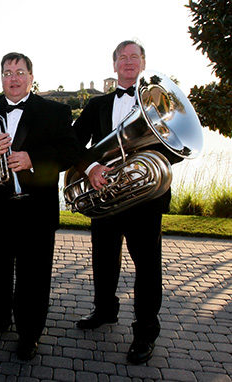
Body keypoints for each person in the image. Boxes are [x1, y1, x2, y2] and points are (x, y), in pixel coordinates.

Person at [0, 52, 84, 360]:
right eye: (7, 73)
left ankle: (30, 335)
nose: (13, 78)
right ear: (0, 77)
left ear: (31, 76)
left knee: (34, 277)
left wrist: (33, 159)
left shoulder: (55, 110)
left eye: (19, 72)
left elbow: (70, 150)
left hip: (36, 211)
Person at [73, 40, 182, 364]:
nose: (129, 62)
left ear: (143, 64)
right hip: (106, 196)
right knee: (104, 260)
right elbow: (73, 143)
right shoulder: (96, 105)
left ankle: (146, 331)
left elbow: (176, 151)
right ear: (115, 65)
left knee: (147, 269)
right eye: (123, 57)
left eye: (135, 57)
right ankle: (105, 310)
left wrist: (143, 154)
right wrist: (91, 167)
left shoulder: (163, 105)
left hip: (145, 200)